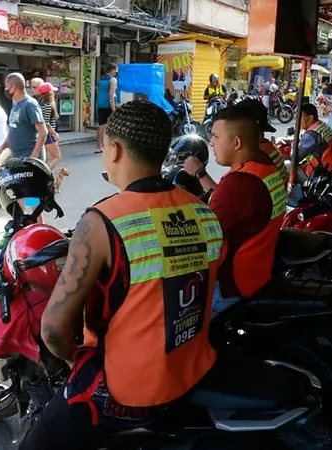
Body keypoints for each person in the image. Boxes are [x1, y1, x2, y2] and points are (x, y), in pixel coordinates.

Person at [19, 100, 225, 450]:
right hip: (191, 369)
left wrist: (75, 360)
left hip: (128, 390)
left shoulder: (101, 222)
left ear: (114, 149)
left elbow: (53, 330)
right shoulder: (205, 212)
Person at [182, 106, 286, 316]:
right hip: (258, 272)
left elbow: (203, 237)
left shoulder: (240, 184)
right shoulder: (264, 165)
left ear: (236, 142)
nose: (211, 143)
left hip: (230, 287)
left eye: (216, 136)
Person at [0, 72, 48, 167]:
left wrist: (33, 158)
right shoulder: (15, 104)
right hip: (18, 157)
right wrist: (1, 148)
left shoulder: (30, 104)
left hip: (29, 158)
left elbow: (43, 132)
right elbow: (13, 131)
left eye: (6, 87)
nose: (5, 90)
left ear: (13, 87)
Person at [298, 103, 332, 180]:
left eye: (300, 117)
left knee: (288, 165)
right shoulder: (320, 125)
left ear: (310, 118)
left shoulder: (311, 134)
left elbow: (296, 157)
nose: (297, 120)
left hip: (322, 172)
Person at [37, 82, 62, 171]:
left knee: (46, 159)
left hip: (44, 135)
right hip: (48, 135)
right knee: (57, 156)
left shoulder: (40, 104)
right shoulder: (47, 105)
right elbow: (46, 123)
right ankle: (45, 175)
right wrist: (54, 133)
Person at [95, 63, 118, 154]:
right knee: (112, 126)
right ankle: (108, 146)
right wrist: (114, 108)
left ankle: (98, 146)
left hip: (100, 104)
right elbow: (111, 95)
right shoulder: (113, 80)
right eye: (116, 70)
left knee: (101, 125)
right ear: (112, 70)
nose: (116, 72)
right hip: (108, 105)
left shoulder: (102, 79)